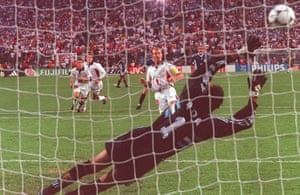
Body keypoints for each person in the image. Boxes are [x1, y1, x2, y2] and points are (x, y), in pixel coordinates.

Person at [38, 36, 265, 195]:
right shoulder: (208, 126)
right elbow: (245, 122)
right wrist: (254, 91)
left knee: (92, 165)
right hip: (150, 159)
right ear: (214, 107)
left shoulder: (189, 96)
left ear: (204, 91)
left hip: (140, 138)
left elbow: (208, 65)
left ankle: (48, 191)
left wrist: (242, 52)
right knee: (105, 183)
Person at [144, 47, 184, 115]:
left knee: (173, 108)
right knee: (164, 115)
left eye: (159, 53)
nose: (157, 55)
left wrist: (174, 78)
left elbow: (180, 75)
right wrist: (145, 83)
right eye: (155, 54)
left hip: (169, 90)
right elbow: (149, 84)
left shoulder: (168, 66)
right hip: (158, 93)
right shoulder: (150, 69)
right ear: (152, 56)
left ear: (162, 55)